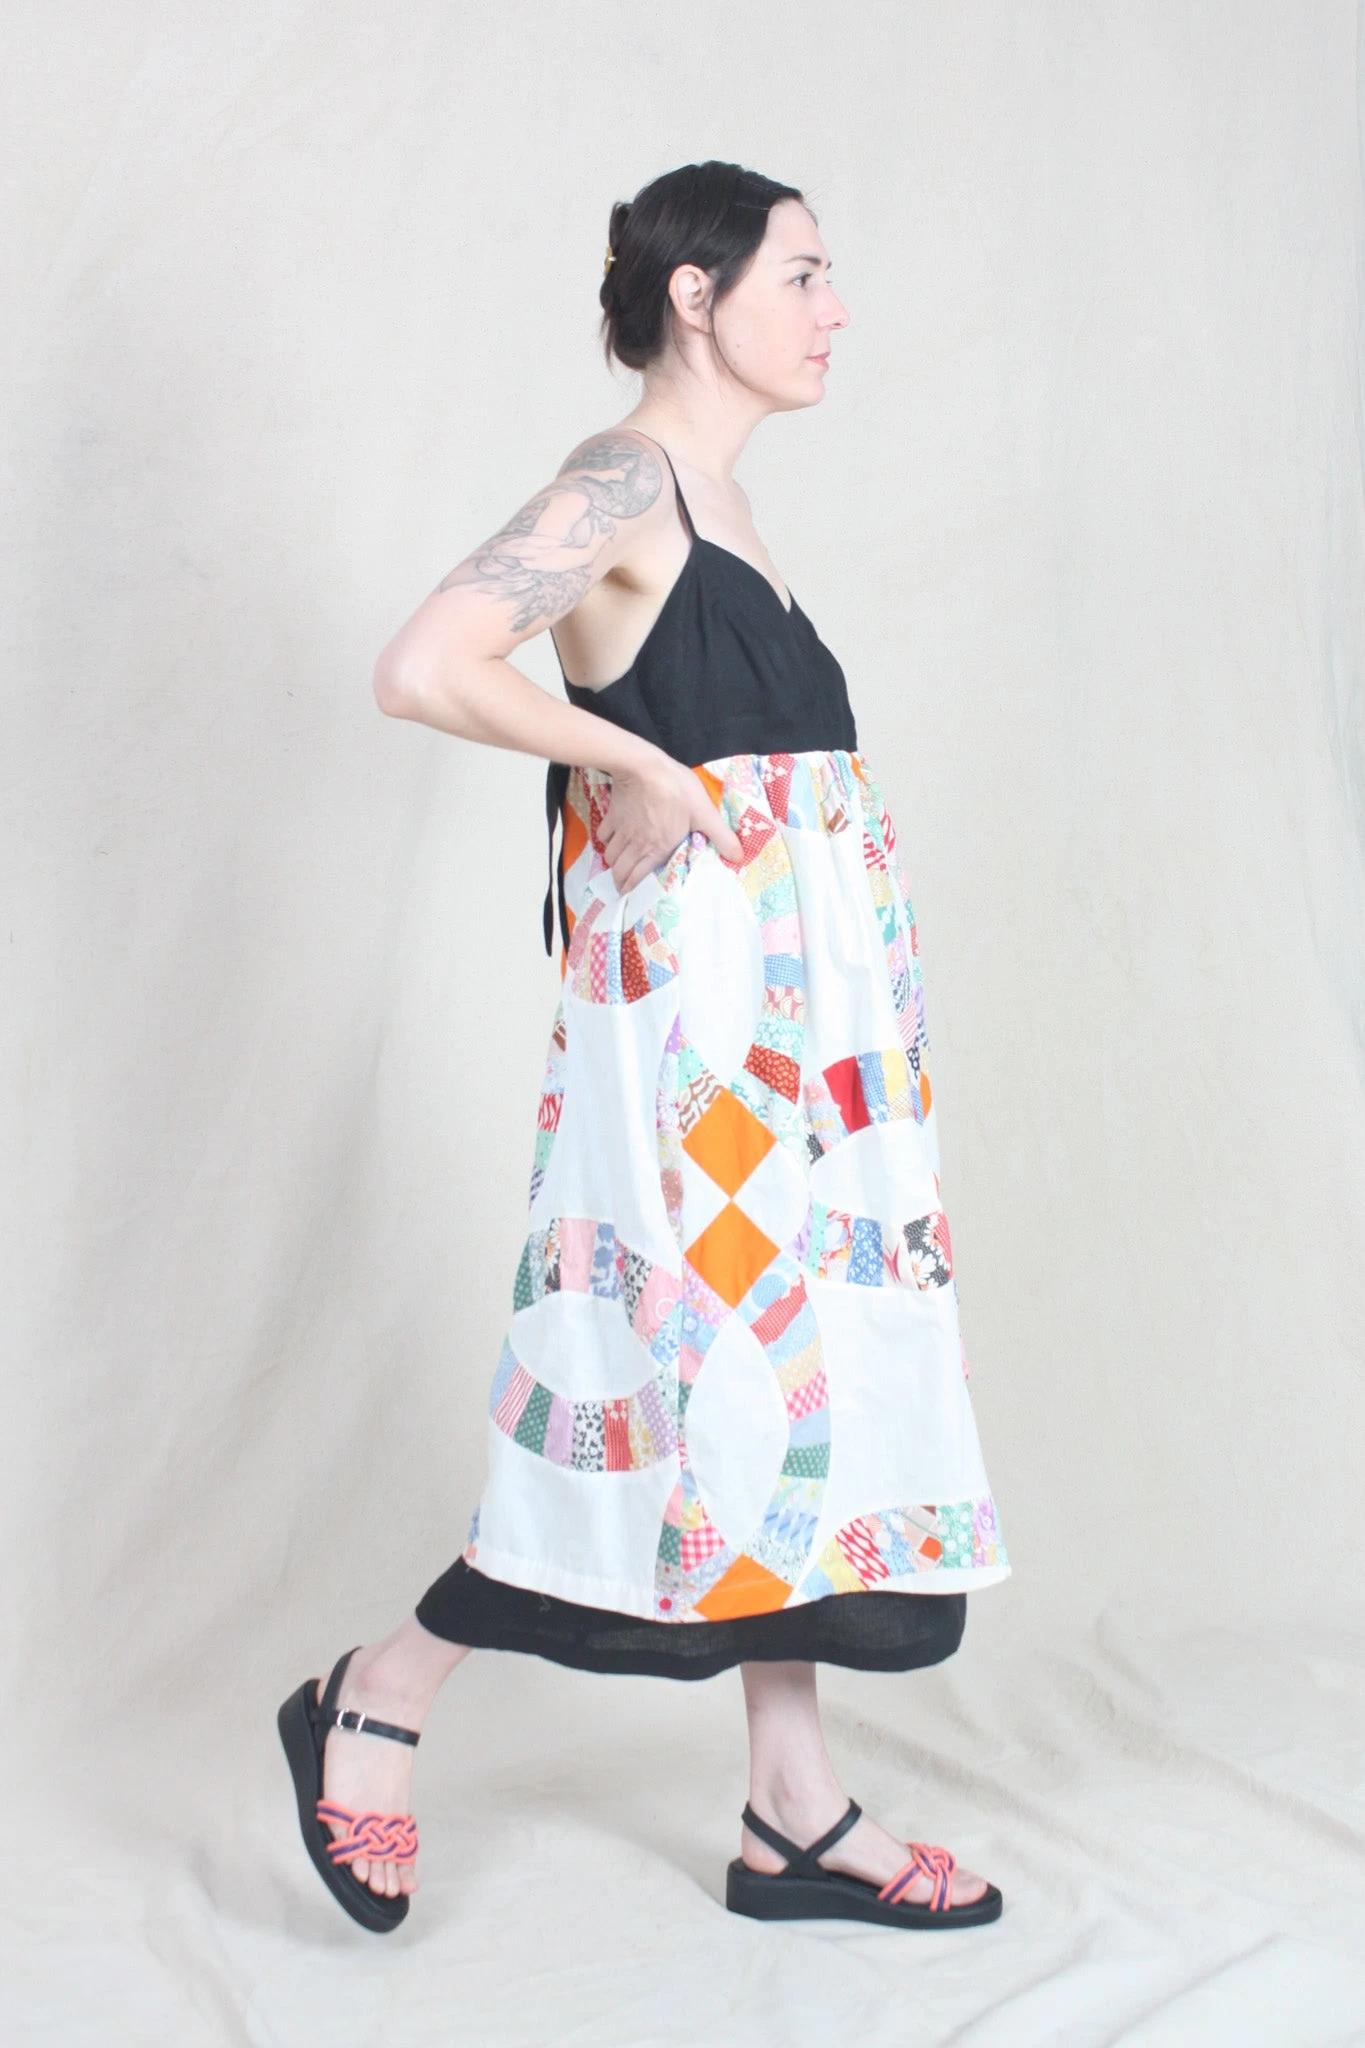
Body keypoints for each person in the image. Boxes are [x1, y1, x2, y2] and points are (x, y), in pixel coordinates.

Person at [278, 159, 1011, 1936]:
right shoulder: (626, 480)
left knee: (791, 1387)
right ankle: (378, 1695)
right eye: (804, 274)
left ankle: (791, 1809)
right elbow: (426, 663)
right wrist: (634, 762)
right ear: (698, 294)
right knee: (677, 1372)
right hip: (701, 1036)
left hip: (799, 1035)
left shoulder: (729, 503)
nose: (835, 309)